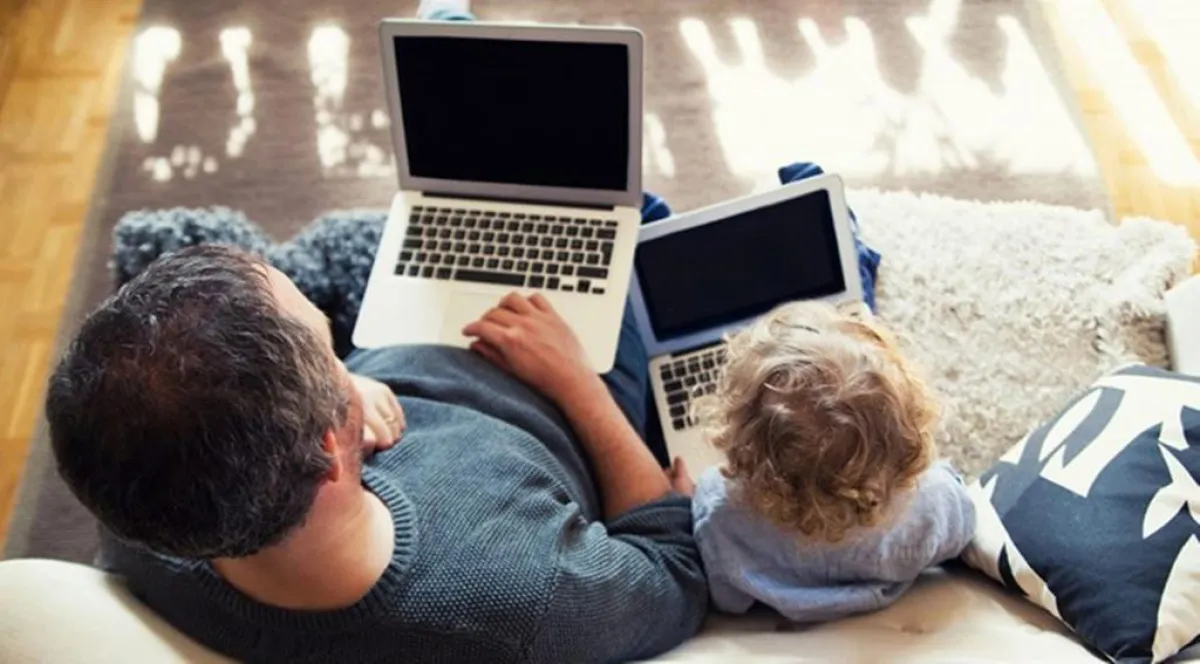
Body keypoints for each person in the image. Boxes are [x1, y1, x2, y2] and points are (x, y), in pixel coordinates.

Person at [672, 301, 975, 623]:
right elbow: (961, 529)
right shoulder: (933, 508)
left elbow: (727, 598)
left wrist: (684, 503)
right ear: (906, 444)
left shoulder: (720, 516)